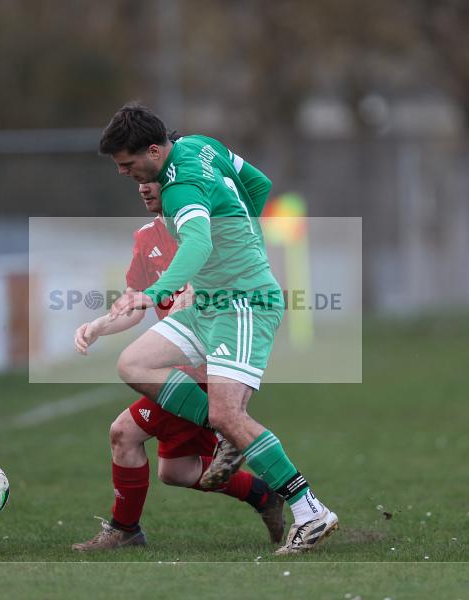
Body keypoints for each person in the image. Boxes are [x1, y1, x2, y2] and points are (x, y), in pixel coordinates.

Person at [99, 103, 338, 554]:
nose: (124, 173)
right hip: (209, 300)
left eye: (128, 165)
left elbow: (199, 241)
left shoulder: (180, 187)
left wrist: (157, 291)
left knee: (227, 413)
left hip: (242, 300)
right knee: (135, 362)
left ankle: (311, 511)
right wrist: (243, 230)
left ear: (153, 150)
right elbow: (258, 183)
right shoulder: (201, 145)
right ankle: (231, 434)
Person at [71, 181, 285, 551]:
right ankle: (262, 493)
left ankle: (126, 530)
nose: (143, 187)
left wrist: (198, 292)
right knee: (178, 471)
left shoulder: (211, 232)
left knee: (124, 433)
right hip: (172, 371)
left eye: (151, 179)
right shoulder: (144, 239)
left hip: (205, 372)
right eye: (136, 178)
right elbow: (132, 305)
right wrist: (99, 327)